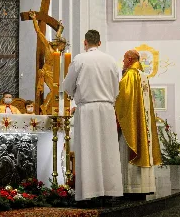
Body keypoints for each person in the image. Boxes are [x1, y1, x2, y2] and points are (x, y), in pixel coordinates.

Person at [63, 29, 123, 202]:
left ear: (85, 42)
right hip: (106, 108)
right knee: (108, 151)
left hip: (87, 109)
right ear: (99, 43)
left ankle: (89, 194)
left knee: (88, 150)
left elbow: (68, 86)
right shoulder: (110, 60)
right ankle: (110, 192)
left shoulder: (80, 59)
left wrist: (76, 94)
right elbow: (115, 89)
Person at [115, 50, 162, 195]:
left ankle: (130, 187)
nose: (123, 62)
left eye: (124, 59)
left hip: (132, 124)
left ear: (129, 59)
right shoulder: (143, 76)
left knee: (126, 151)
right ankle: (145, 187)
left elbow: (123, 100)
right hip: (143, 123)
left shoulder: (129, 75)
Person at [28, 11, 66, 114]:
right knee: (54, 90)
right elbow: (39, 33)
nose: (63, 47)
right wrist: (35, 20)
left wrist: (60, 28)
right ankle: (44, 106)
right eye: (62, 45)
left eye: (63, 46)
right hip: (45, 71)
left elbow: (58, 34)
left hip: (53, 72)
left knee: (55, 91)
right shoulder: (48, 46)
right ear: (59, 44)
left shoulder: (58, 52)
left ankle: (47, 106)